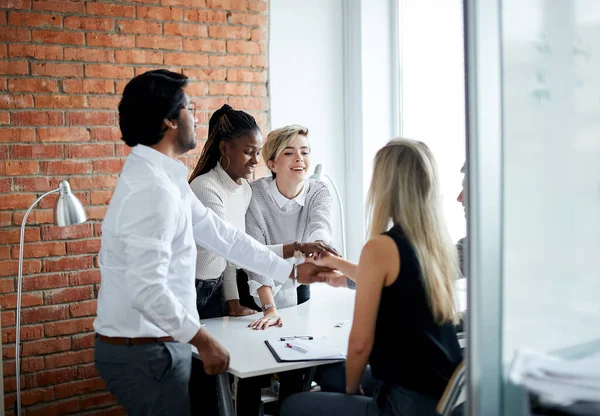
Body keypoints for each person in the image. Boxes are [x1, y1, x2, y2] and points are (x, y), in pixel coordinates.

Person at [93, 70, 328, 416]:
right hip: (143, 352)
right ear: (169, 121)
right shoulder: (152, 191)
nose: (197, 117)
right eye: (189, 108)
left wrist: (290, 267)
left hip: (159, 345)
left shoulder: (168, 180)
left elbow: (224, 237)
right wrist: (204, 342)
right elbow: (148, 290)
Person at [281, 138, 463, 416]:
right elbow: (396, 280)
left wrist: (353, 392)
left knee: (293, 406)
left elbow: (360, 344)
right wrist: (337, 265)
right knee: (328, 374)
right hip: (441, 394)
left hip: (405, 403)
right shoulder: (434, 242)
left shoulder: (381, 247)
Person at [245, 125, 340, 331]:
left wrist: (320, 247)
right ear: (272, 163)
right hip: (259, 287)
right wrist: (269, 309)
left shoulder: (319, 192)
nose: (299, 158)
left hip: (299, 281)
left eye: (304, 152)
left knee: (301, 336)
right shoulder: (253, 196)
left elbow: (320, 225)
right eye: (289, 153)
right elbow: (254, 255)